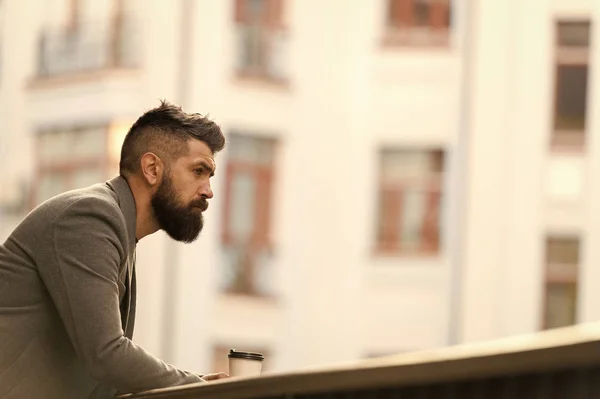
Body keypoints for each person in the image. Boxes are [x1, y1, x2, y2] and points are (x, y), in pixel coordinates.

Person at [0, 101, 229, 398]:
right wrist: (199, 389)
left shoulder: (119, 229)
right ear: (151, 168)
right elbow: (106, 354)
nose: (208, 190)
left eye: (209, 176)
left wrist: (194, 384)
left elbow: (102, 381)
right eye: (199, 171)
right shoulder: (90, 216)